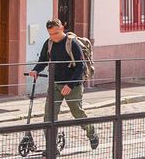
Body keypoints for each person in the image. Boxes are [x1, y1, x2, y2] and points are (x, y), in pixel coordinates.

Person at [30, 19, 99, 151]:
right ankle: (52, 147)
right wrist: (36, 70)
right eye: (51, 34)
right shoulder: (49, 43)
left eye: (56, 33)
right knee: (49, 115)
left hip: (73, 85)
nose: (54, 37)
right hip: (55, 84)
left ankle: (91, 132)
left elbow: (81, 66)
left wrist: (70, 85)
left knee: (77, 113)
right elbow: (43, 60)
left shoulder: (72, 43)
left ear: (62, 28)